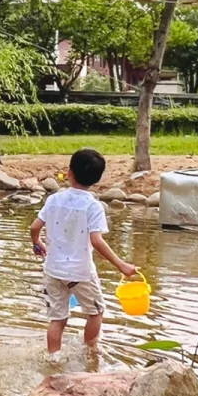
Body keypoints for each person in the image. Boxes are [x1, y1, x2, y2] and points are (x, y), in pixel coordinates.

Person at [30, 146, 137, 354]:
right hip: (80, 272)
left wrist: (37, 242)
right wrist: (121, 265)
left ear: (69, 172)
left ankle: (53, 358)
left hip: (53, 270)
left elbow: (34, 227)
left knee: (57, 319)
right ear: (97, 179)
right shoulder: (93, 206)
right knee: (96, 312)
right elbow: (97, 241)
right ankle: (89, 352)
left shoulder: (53, 199)